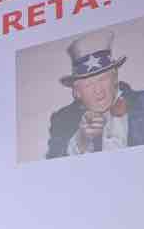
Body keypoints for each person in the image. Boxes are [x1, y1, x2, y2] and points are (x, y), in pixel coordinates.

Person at [46, 29, 144, 158]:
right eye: (88, 85)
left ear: (115, 77)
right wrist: (82, 140)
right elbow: (54, 161)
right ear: (76, 92)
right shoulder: (63, 119)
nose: (98, 90)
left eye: (102, 79)